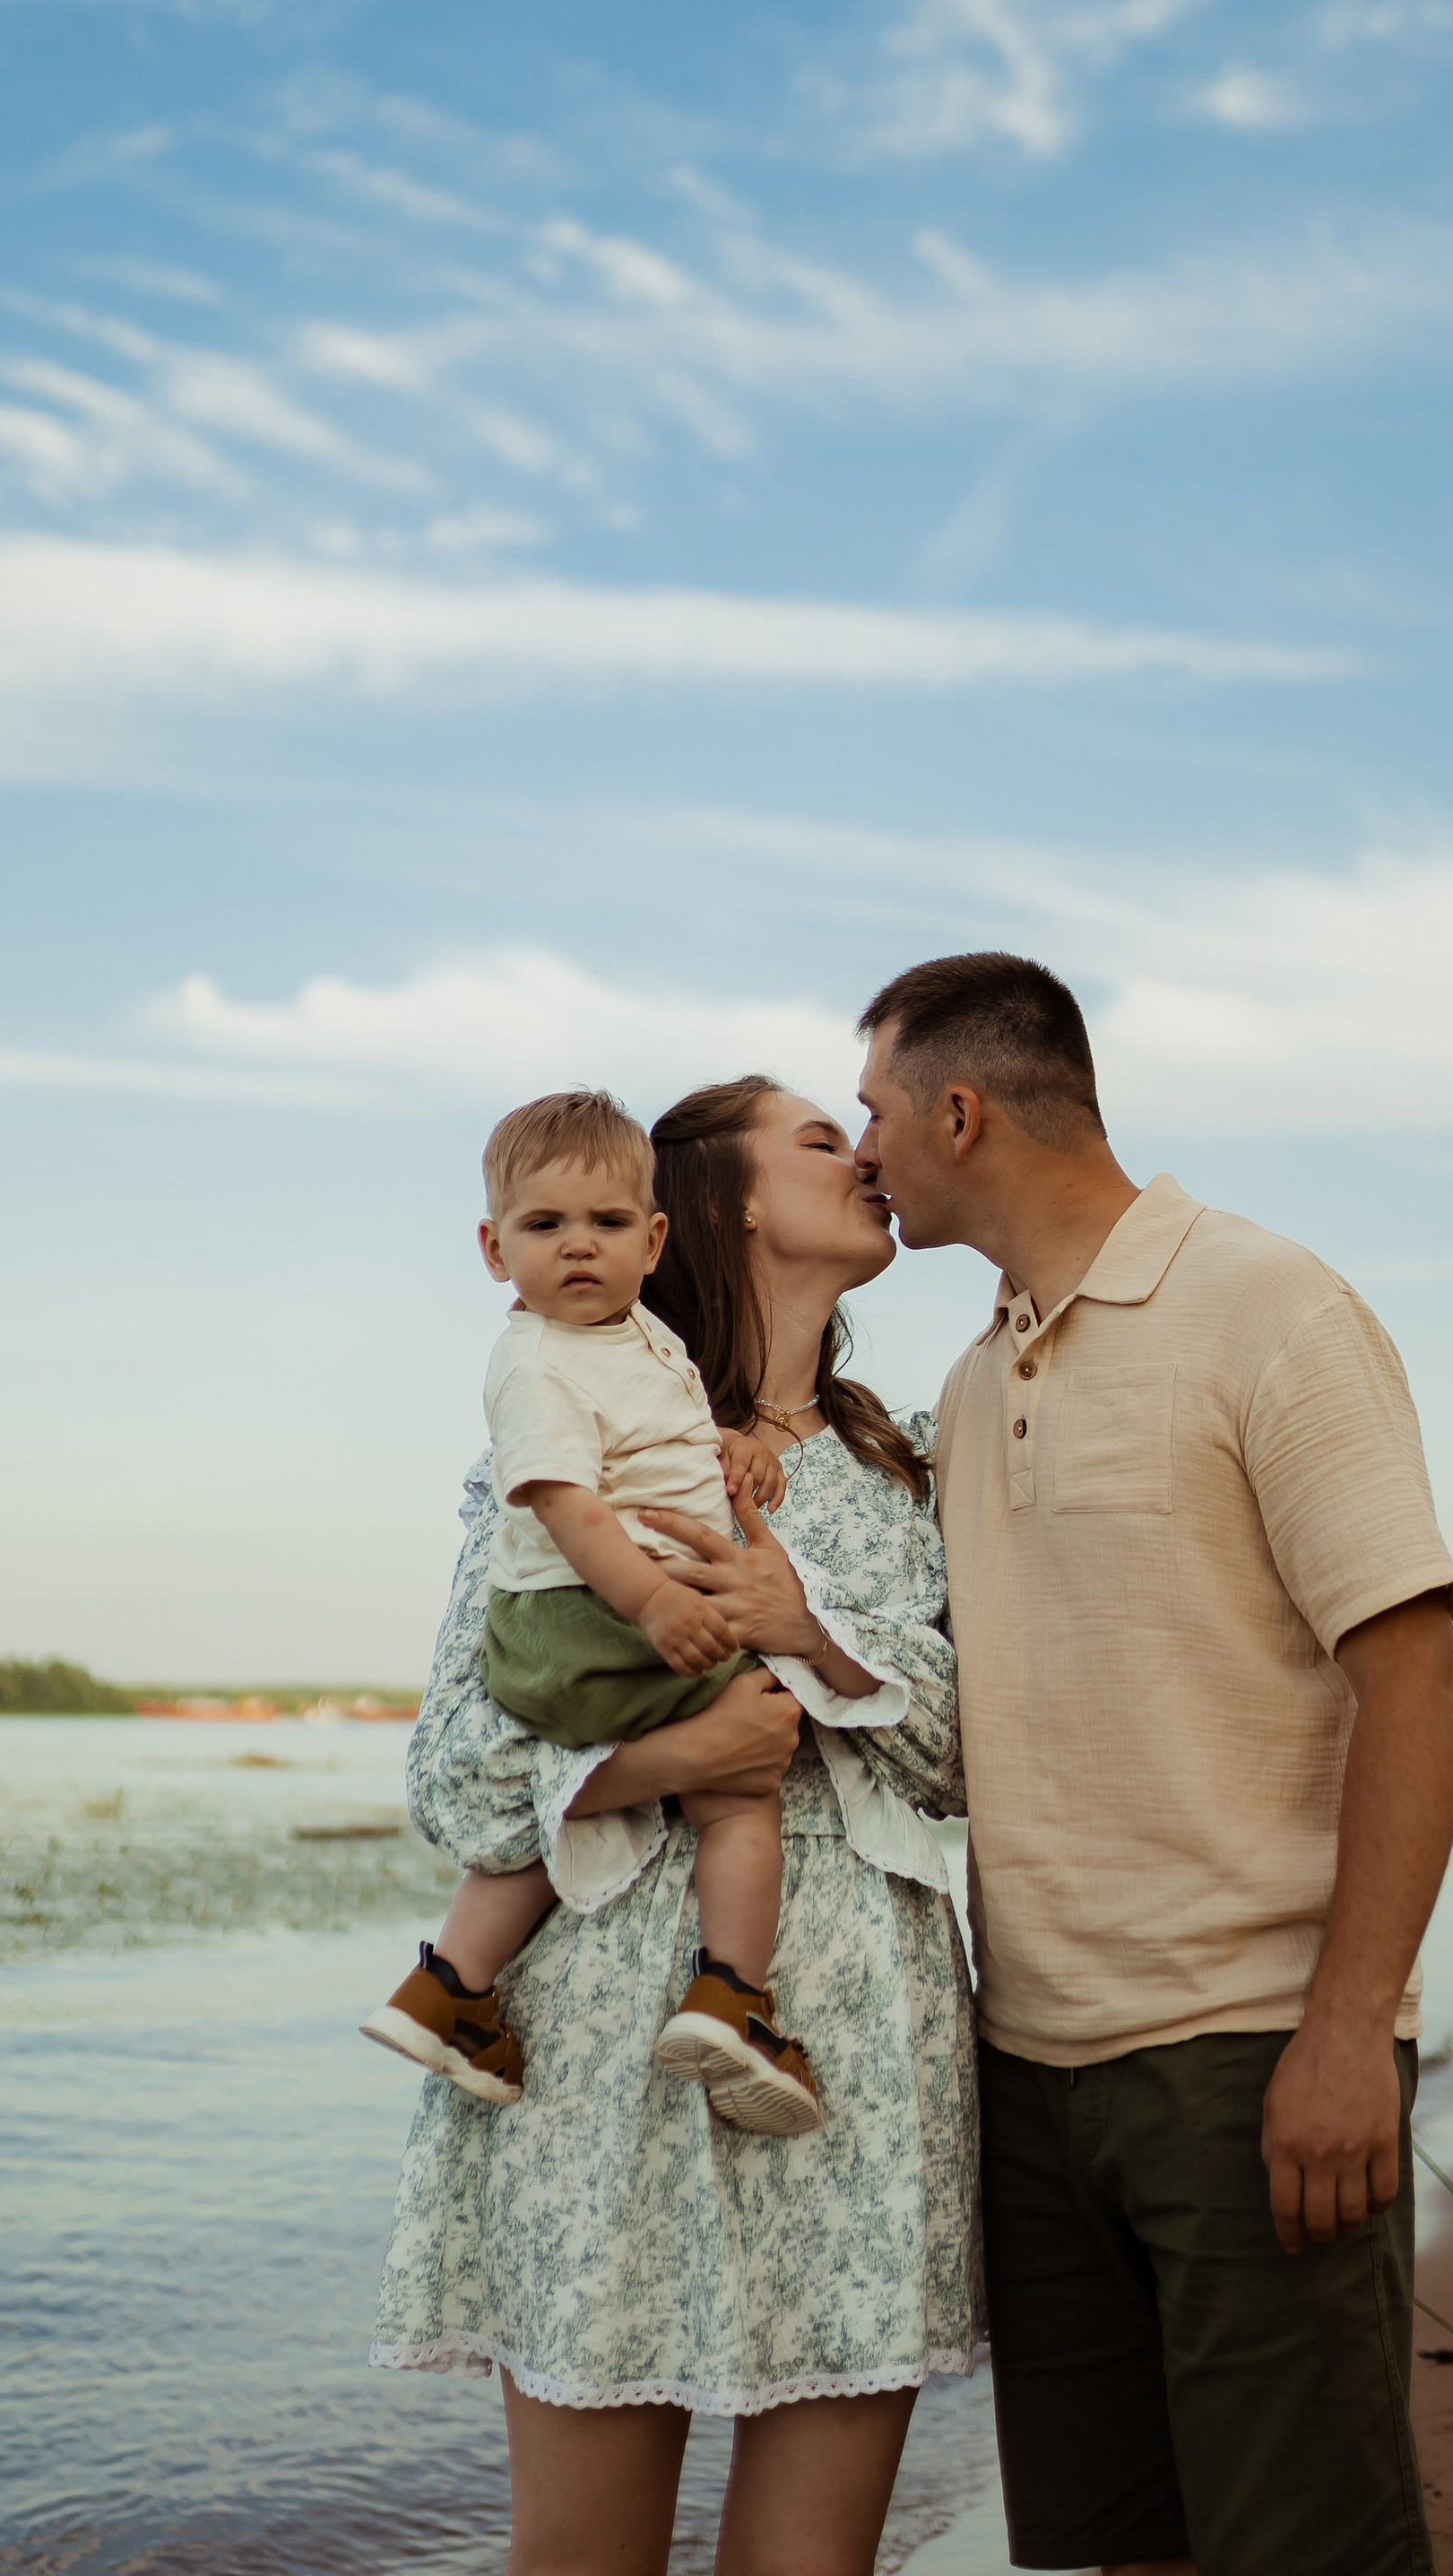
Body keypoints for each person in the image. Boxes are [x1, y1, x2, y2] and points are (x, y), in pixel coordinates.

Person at [854, 952, 1453, 2576]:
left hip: (1249, 2056)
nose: (864, 1152)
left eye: (875, 1112)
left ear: (961, 1112)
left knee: (1303, 2545)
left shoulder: (1271, 1306)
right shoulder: (973, 1380)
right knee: (1122, 2546)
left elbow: (1412, 1679)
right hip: (1033, 2070)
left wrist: (1348, 2029)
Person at [372, 1076, 982, 2576]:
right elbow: (453, 1776)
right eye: (826, 1140)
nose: (876, 1160)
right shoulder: (569, 1448)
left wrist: (816, 1634)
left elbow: (975, 1757)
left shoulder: (919, 1464)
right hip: (603, 2054)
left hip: (856, 2061)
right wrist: (692, 1750)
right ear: (727, 1204)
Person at [362, 1086, 822, 2133]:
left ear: (654, 1239)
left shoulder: (631, 1337)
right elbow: (569, 1506)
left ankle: (450, 1985)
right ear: (492, 1248)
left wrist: (729, 1449)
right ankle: (732, 1996)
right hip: (588, 1613)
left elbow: (652, 1443)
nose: (579, 1246)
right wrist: (657, 1602)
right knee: (739, 1789)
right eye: (544, 1225)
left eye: (607, 1224)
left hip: (589, 1620)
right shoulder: (535, 1360)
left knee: (562, 1803)